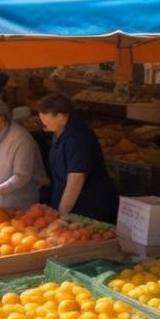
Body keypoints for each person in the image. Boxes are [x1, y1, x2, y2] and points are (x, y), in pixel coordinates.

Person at [38, 93, 119, 223]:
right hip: (63, 201)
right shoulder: (58, 131)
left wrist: (61, 215)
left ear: (61, 116)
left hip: (86, 207)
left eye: (45, 119)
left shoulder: (78, 137)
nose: (42, 123)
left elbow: (76, 179)